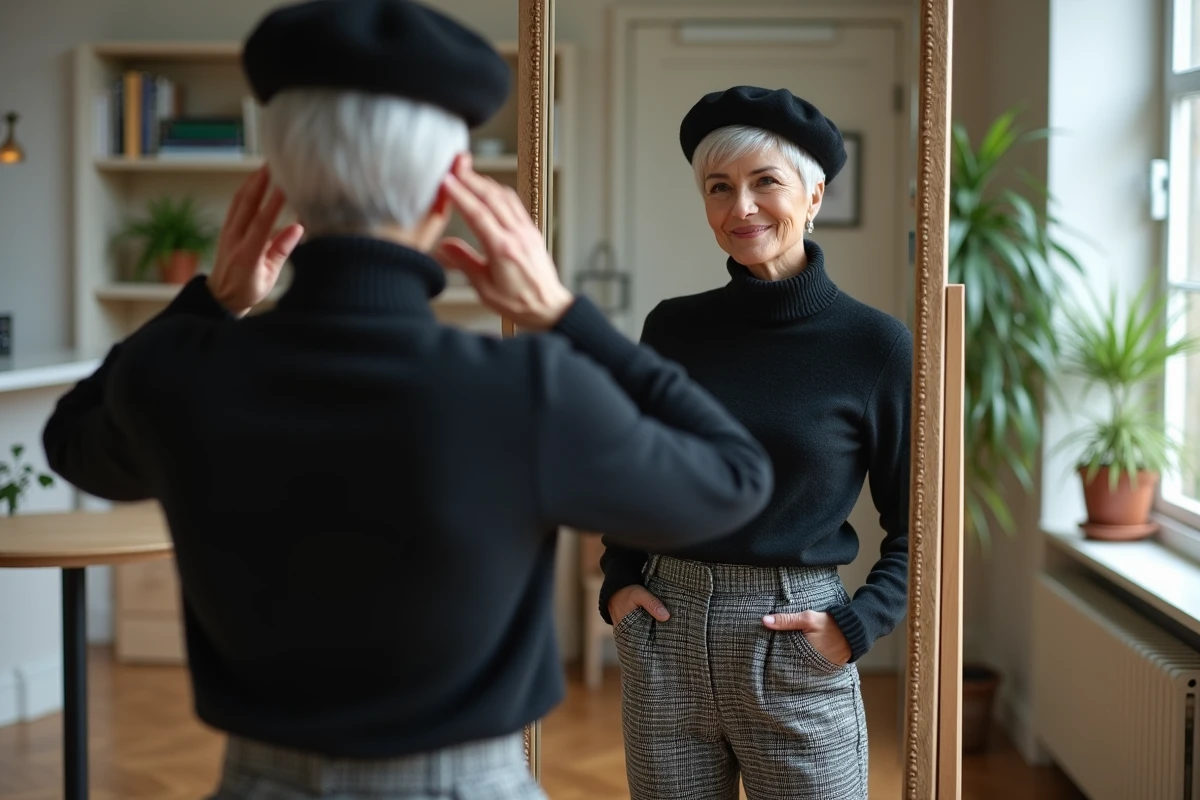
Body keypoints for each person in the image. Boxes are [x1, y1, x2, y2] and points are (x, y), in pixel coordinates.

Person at [40, 4, 775, 798]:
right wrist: (566, 315)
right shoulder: (525, 387)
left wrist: (206, 305)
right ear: (443, 198)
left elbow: (70, 439)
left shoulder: (183, 370)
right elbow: (735, 480)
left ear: (280, 183)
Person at [597, 86, 912, 800]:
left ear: (814, 195)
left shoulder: (876, 347)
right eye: (719, 188)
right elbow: (633, 471)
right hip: (666, 632)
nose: (741, 208)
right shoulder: (672, 328)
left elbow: (917, 522)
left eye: (765, 182)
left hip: (797, 637)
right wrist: (619, 580)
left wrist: (859, 623)